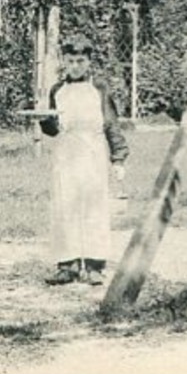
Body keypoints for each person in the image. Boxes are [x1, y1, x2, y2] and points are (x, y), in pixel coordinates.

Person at [37, 33, 128, 287]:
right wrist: (43, 118)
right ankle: (67, 264)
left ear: (88, 62)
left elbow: (111, 124)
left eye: (80, 61)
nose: (75, 66)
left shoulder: (99, 89)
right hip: (66, 153)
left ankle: (95, 265)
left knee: (93, 207)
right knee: (65, 206)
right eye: (70, 61)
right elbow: (54, 129)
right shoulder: (58, 90)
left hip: (92, 153)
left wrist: (118, 158)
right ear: (64, 61)